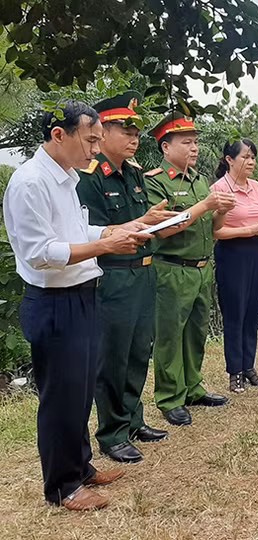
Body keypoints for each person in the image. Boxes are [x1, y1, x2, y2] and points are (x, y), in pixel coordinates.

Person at [4, 100, 151, 510]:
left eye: (98, 140)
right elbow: (40, 252)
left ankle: (82, 466)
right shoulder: (31, 182)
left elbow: (73, 231)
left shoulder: (65, 178)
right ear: (59, 135)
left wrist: (115, 227)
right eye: (89, 140)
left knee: (81, 390)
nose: (93, 149)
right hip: (54, 302)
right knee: (61, 397)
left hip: (82, 294)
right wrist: (106, 245)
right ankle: (63, 487)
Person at [76, 92, 176, 464]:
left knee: (138, 351)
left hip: (144, 273)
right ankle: (112, 432)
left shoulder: (135, 174)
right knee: (113, 357)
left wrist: (158, 221)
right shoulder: (89, 177)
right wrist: (138, 223)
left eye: (136, 130)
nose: (134, 137)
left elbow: (142, 225)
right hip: (113, 277)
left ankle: (133, 420)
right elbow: (91, 230)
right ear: (101, 133)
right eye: (125, 128)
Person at [144, 112, 236, 426]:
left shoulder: (198, 180)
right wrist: (206, 205)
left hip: (201, 267)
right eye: (186, 142)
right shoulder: (156, 181)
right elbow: (164, 229)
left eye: (196, 142)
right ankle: (170, 398)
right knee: (170, 335)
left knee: (196, 333)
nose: (194, 148)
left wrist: (221, 210)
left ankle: (193, 388)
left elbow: (212, 225)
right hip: (172, 268)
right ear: (166, 148)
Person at [211, 139, 258, 393]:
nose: (251, 162)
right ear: (229, 159)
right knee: (235, 313)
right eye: (246, 157)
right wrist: (250, 229)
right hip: (232, 254)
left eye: (253, 157)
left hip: (256, 251)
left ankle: (249, 365)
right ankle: (234, 371)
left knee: (253, 311)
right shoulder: (219, 189)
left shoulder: (257, 187)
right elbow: (216, 231)